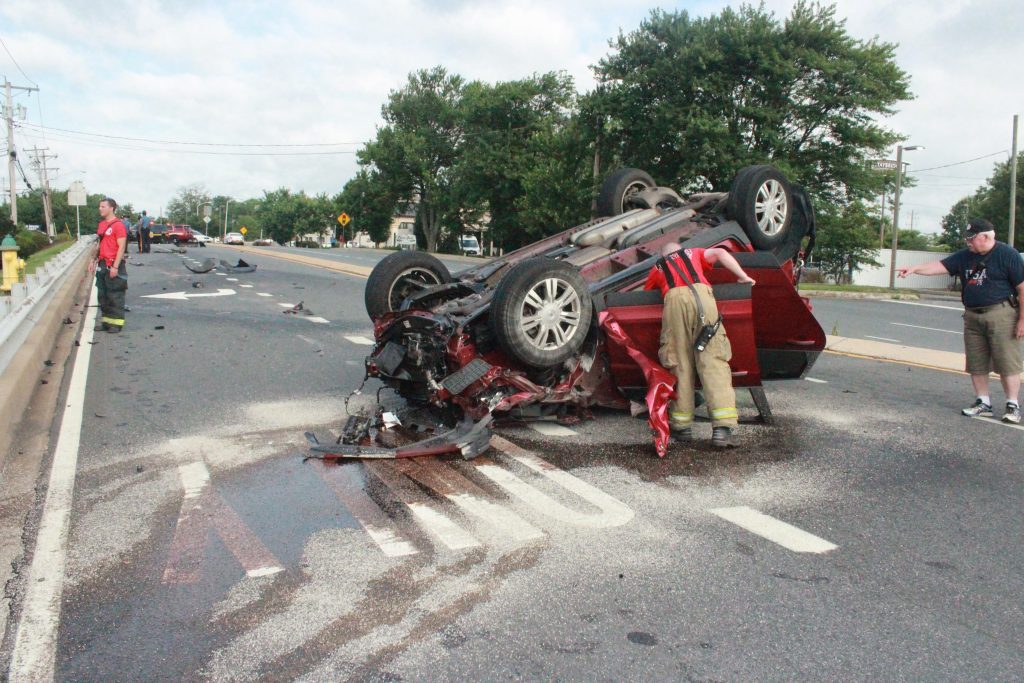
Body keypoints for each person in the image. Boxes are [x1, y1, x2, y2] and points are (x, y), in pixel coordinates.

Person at [898, 218, 1024, 424]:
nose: (968, 242)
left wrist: (1022, 320)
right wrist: (914, 269)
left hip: (1001, 314)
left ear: (985, 237)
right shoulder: (965, 256)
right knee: (976, 361)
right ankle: (983, 402)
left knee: (1007, 361)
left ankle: (1012, 405)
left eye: (971, 238)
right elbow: (939, 266)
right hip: (973, 315)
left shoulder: (1007, 255)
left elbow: (1022, 288)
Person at [644, 242, 756, 447]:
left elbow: (644, 295)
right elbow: (721, 252)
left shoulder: (657, 268)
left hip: (673, 302)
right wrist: (743, 276)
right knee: (713, 361)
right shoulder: (693, 253)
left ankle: (682, 427)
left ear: (663, 255)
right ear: (680, 249)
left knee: (679, 363)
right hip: (702, 298)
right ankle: (722, 430)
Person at [89, 197, 128, 333]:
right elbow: (100, 244)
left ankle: (116, 324)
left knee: (115, 295)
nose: (100, 209)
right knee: (103, 295)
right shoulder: (102, 225)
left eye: (103, 207)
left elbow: (121, 247)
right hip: (102, 263)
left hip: (113, 264)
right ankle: (106, 322)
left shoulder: (118, 225)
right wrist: (93, 260)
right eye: (99, 206)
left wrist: (115, 266)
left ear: (111, 208)